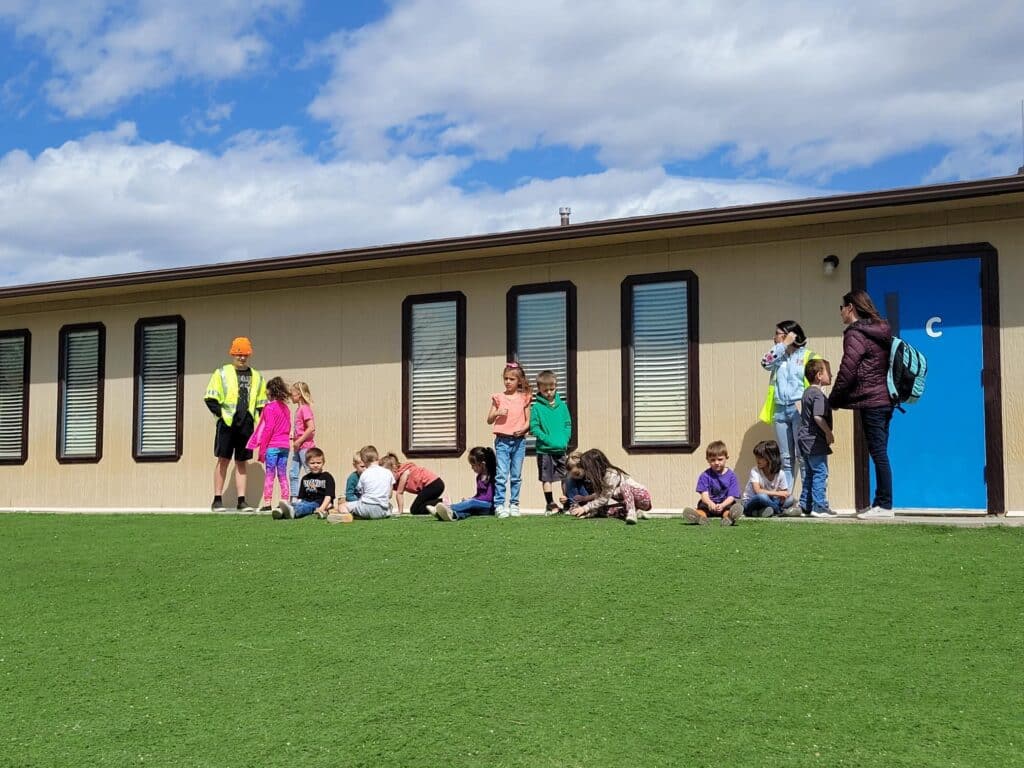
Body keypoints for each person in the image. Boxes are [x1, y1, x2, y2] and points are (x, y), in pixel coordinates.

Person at [829, 290, 895, 519]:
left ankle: (885, 506)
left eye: (841, 307)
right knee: (880, 451)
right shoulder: (881, 331)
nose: (840, 312)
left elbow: (848, 369)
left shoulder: (855, 334)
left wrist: (834, 399)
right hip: (885, 399)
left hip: (871, 400)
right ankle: (880, 503)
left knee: (878, 452)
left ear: (850, 308)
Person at [205, 336, 267, 512]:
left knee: (242, 461)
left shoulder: (257, 377)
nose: (242, 357)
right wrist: (222, 415)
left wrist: (261, 425)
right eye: (239, 354)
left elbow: (261, 404)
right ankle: (217, 500)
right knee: (223, 459)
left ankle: (242, 501)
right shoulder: (222, 373)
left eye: (245, 354)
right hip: (227, 424)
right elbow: (210, 398)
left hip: (246, 424)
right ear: (232, 354)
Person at [759, 320, 817, 495]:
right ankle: (788, 497)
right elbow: (765, 362)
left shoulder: (808, 356)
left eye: (777, 333)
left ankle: (807, 499)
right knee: (786, 458)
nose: (774, 337)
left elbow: (819, 382)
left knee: (802, 456)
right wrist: (782, 345)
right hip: (780, 410)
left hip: (799, 409)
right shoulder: (778, 357)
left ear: (789, 334)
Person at [488, 361, 532, 518]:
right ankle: (499, 505)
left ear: (519, 381)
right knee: (501, 474)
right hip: (502, 441)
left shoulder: (524, 398)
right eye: (506, 378)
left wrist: (524, 429)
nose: (508, 382)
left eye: (511, 379)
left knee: (516, 475)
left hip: (519, 441)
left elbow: (529, 420)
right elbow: (489, 419)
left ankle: (514, 504)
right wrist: (497, 412)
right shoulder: (498, 397)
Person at [530, 370, 573, 514]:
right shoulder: (536, 407)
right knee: (546, 478)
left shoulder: (562, 406)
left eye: (551, 389)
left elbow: (568, 424)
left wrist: (565, 439)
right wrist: (546, 439)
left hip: (561, 448)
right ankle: (550, 504)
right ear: (539, 389)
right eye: (545, 390)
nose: (549, 392)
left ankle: (567, 503)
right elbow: (534, 427)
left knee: (566, 477)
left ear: (556, 387)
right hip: (544, 450)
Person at [248, 376, 293, 517]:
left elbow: (268, 428)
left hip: (272, 446)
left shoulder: (269, 408)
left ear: (270, 392)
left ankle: (267, 503)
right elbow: (288, 426)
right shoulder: (285, 408)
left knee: (270, 475)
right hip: (285, 445)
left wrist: (262, 449)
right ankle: (285, 501)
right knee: (282, 475)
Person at [571, 449, 652, 525]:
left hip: (642, 498)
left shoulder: (612, 474)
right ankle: (638, 512)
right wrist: (586, 502)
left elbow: (604, 498)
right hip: (629, 503)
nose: (586, 472)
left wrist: (585, 508)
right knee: (602, 510)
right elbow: (601, 494)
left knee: (624, 486)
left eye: (587, 469)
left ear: (594, 467)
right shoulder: (602, 478)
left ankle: (631, 512)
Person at [798, 358, 836, 517]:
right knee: (820, 472)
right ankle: (819, 506)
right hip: (815, 441)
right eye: (829, 372)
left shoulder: (807, 392)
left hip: (803, 438)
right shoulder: (818, 395)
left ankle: (805, 505)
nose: (832, 375)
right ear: (819, 375)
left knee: (810, 473)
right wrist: (828, 433)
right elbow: (818, 416)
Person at [683, 441, 743, 526]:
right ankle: (699, 517)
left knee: (728, 510)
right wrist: (710, 503)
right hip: (708, 504)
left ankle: (729, 517)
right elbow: (704, 495)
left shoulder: (732, 476)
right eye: (713, 460)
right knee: (702, 509)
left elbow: (732, 496)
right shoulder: (705, 475)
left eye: (720, 459)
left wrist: (722, 505)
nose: (716, 462)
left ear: (726, 457)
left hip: (725, 504)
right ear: (707, 460)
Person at [327, 445, 393, 522]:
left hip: (365, 509)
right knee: (390, 506)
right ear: (377, 457)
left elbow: (362, 493)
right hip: (382, 511)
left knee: (342, 506)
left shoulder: (364, 474)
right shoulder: (388, 472)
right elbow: (389, 494)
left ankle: (346, 515)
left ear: (364, 460)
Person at [434, 446, 497, 521]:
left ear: (482, 464)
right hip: (480, 506)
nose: (472, 468)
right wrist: (471, 499)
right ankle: (453, 515)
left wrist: (472, 500)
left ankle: (448, 508)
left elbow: (488, 498)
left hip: (489, 506)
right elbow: (479, 495)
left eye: (473, 465)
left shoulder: (493, 477)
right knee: (469, 509)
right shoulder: (479, 477)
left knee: (471, 503)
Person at [380, 452, 445, 516]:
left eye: (386, 474)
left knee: (414, 509)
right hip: (435, 485)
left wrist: (400, 511)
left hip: (433, 484)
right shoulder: (398, 476)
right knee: (420, 508)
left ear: (394, 469)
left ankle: (443, 501)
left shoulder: (404, 473)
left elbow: (399, 493)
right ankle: (441, 504)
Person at [277, 447, 334, 520]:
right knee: (297, 504)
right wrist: (296, 503)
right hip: (305, 501)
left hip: (318, 502)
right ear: (307, 463)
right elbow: (301, 498)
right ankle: (280, 511)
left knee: (307, 507)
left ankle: (294, 512)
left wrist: (322, 508)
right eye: (312, 463)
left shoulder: (327, 477)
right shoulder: (305, 478)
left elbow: (328, 496)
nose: (315, 465)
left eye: (318, 463)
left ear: (323, 463)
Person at [742, 440, 794, 518]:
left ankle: (762, 512)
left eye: (760, 458)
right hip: (751, 501)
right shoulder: (755, 471)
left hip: (770, 501)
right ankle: (779, 511)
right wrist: (778, 493)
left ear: (771, 458)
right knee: (762, 497)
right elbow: (758, 491)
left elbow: (784, 492)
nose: (757, 460)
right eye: (756, 457)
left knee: (790, 499)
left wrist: (783, 496)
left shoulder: (780, 473)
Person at [287, 382, 316, 503]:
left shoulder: (305, 409)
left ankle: (314, 496)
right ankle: (294, 497)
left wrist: (299, 441)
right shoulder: (299, 410)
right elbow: (302, 427)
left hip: (305, 447)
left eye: (292, 394)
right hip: (298, 447)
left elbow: (311, 428)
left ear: (299, 394)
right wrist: (294, 434)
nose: (290, 396)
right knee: (293, 472)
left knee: (309, 471)